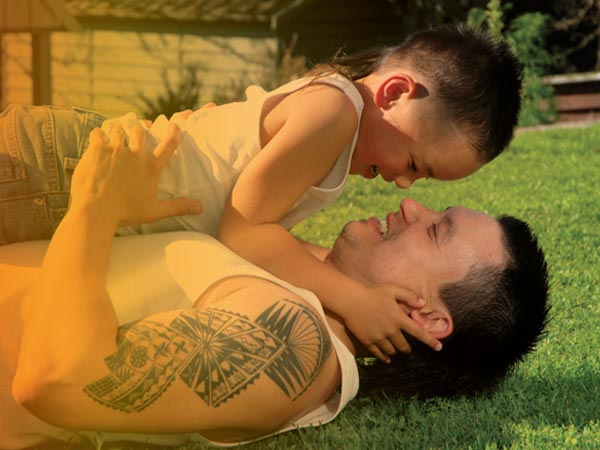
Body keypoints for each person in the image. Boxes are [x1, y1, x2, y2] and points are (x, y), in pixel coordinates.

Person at [1, 121, 549, 449]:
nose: (411, 206)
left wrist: (95, 207)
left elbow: (60, 381)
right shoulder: (309, 280)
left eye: (435, 230)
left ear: (426, 317)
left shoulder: (296, 345)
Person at [0, 23, 524, 361]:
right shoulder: (335, 114)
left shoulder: (337, 117)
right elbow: (244, 230)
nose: (405, 184)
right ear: (394, 93)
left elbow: (264, 232)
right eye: (413, 164)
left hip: (70, 178)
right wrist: (356, 301)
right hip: (55, 171)